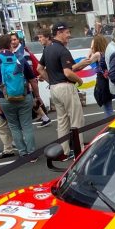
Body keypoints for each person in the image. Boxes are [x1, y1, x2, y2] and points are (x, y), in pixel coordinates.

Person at [0, 33, 42, 157]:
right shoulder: (20, 58)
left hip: (5, 98)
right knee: (26, 125)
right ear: (10, 44)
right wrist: (37, 96)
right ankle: (32, 153)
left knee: (14, 126)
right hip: (24, 96)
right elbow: (32, 80)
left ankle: (22, 153)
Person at [37, 23, 89, 155]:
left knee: (62, 121)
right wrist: (79, 80)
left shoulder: (48, 48)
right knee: (77, 119)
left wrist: (51, 81)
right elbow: (68, 72)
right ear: (59, 33)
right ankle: (79, 150)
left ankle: (64, 151)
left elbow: (39, 69)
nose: (69, 35)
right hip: (65, 87)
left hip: (54, 88)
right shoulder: (62, 50)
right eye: (66, 32)